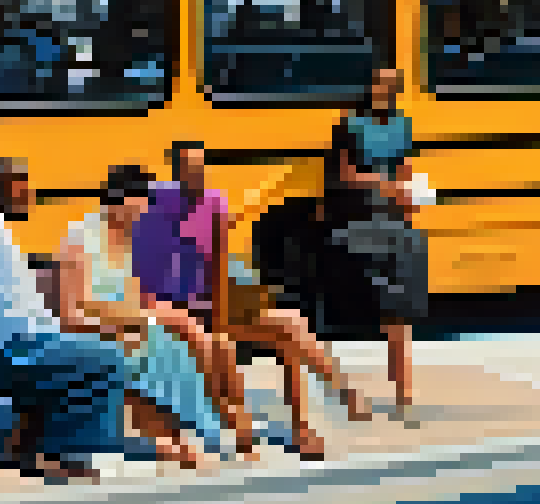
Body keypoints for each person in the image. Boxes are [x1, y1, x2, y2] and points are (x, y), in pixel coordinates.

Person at [144, 141, 374, 459]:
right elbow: (152, 277)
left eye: (200, 167)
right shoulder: (156, 211)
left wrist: (236, 296)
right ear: (175, 170)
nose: (196, 175)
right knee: (235, 339)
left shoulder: (213, 202)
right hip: (183, 307)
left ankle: (318, 412)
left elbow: (221, 259)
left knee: (292, 326)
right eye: (188, 168)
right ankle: (318, 406)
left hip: (219, 303)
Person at [0, 158, 139, 483]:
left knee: (70, 358)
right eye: (20, 183)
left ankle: (22, 446)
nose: (29, 191)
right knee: (109, 359)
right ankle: (61, 453)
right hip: (3, 349)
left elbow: (14, 303)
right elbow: (23, 316)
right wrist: (93, 331)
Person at [57, 164, 247, 469]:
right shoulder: (82, 236)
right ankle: (165, 436)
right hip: (90, 323)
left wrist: (155, 315)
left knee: (194, 336)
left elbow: (134, 294)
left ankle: (202, 425)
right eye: (135, 206)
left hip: (127, 318)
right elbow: (77, 304)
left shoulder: (130, 237)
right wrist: (133, 320)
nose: (140, 215)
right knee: (154, 346)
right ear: (116, 201)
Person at [324, 68, 428, 424]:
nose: (385, 93)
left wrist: (411, 196)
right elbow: (345, 176)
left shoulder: (402, 125)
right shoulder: (351, 126)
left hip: (394, 224)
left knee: (399, 315)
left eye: (391, 88)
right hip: (357, 223)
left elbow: (406, 168)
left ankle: (405, 395)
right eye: (380, 87)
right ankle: (344, 392)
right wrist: (386, 187)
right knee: (343, 316)